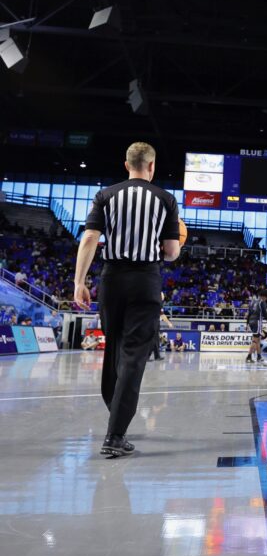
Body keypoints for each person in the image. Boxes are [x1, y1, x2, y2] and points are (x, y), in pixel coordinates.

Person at [73, 141, 181, 457]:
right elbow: (172, 252)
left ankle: (115, 414)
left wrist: (80, 281)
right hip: (145, 282)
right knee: (134, 357)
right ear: (152, 166)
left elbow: (90, 238)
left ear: (126, 165)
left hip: (112, 281)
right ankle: (115, 434)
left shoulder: (105, 195)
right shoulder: (165, 199)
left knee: (115, 350)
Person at [246, 290, 267, 364]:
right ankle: (249, 357)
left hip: (251, 321)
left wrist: (247, 323)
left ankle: (259, 356)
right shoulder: (261, 302)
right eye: (266, 298)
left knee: (258, 340)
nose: (266, 299)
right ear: (264, 296)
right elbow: (265, 313)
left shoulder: (252, 302)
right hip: (257, 322)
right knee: (255, 340)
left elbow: (249, 313)